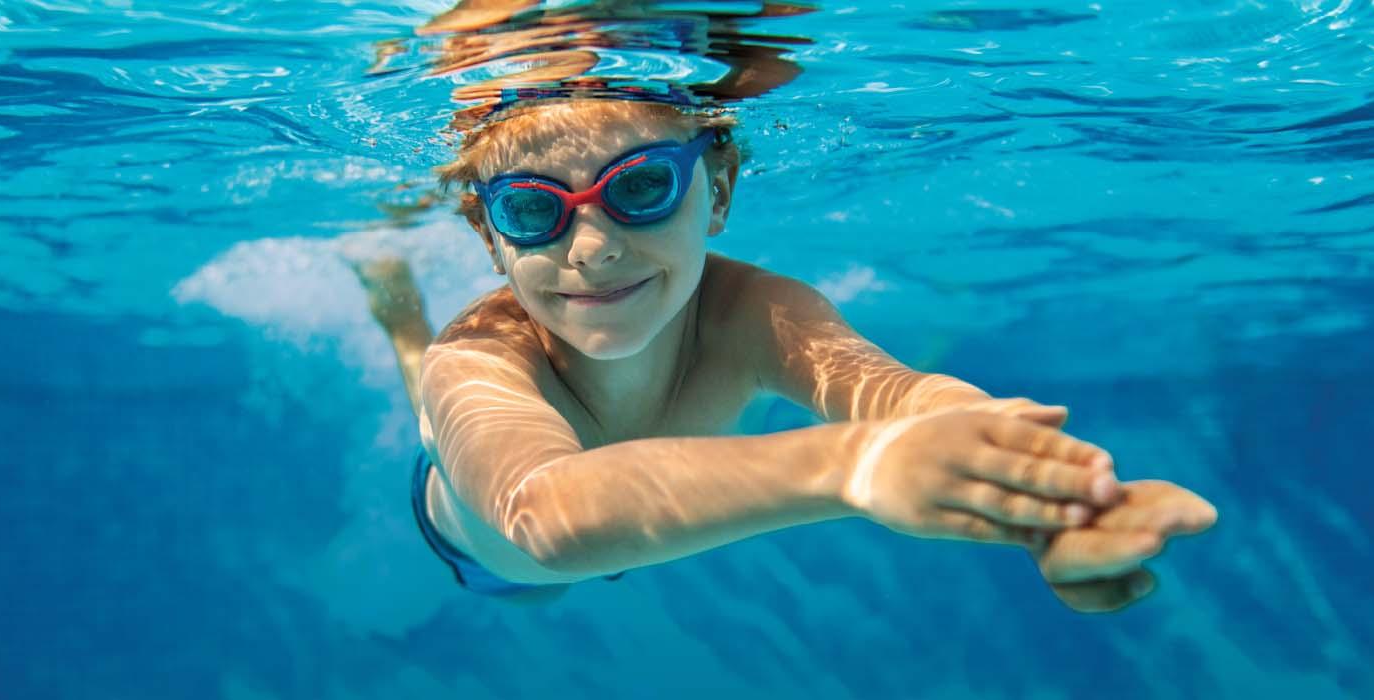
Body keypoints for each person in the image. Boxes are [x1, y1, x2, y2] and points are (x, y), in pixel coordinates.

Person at [355, 96, 1218, 612]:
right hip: (485, 553)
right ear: (489, 238)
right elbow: (546, 516)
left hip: (631, 529)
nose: (592, 247)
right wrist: (857, 469)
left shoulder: (758, 314)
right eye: (532, 210)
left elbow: (902, 398)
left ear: (718, 189)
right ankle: (400, 316)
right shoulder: (480, 359)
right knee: (440, 403)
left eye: (642, 187)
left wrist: (1049, 504)